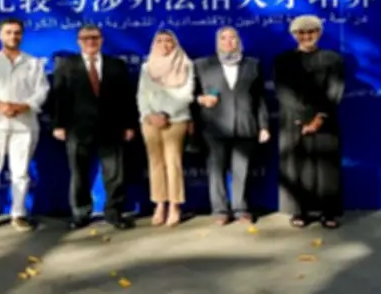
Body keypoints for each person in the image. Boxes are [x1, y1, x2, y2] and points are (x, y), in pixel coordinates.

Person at [50, 24, 136, 230]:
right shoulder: (66, 65)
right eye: (86, 38)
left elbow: (127, 98)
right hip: (77, 128)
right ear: (79, 42)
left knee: (114, 174)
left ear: (101, 40)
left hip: (111, 127)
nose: (90, 41)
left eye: (95, 37)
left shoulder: (116, 65)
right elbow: (58, 97)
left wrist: (129, 125)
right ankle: (81, 213)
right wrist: (58, 124)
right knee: (79, 173)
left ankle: (114, 213)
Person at [0, 19, 49, 233]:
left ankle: (19, 214)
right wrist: (0, 105)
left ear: (22, 35)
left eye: (17, 32)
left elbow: (41, 91)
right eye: (8, 32)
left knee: (20, 172)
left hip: (24, 124)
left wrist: (23, 106)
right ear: (0, 35)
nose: (13, 36)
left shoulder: (33, 63)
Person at [273, 15, 345, 229]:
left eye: (311, 32)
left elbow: (335, 90)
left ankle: (328, 212)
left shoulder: (333, 59)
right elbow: (283, 92)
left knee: (326, 168)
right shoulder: (282, 60)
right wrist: (304, 119)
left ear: (319, 33)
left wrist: (319, 118)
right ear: (294, 35)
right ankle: (299, 212)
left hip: (325, 120)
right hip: (293, 121)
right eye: (301, 33)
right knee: (296, 167)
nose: (306, 36)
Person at [193, 26, 270, 225]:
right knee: (216, 170)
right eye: (223, 38)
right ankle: (220, 210)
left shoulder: (252, 65)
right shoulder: (202, 65)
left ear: (239, 41)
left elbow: (259, 98)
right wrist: (201, 99)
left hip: (245, 125)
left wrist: (263, 126)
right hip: (214, 126)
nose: (228, 41)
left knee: (241, 170)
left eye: (232, 37)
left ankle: (241, 209)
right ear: (217, 42)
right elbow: (190, 94)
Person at [137, 30, 194, 227]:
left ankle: (175, 206)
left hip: (175, 120)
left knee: (173, 162)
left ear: (175, 44)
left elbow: (186, 94)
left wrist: (165, 114)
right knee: (155, 163)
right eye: (159, 41)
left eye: (168, 41)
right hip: (150, 121)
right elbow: (142, 94)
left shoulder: (185, 64)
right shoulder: (146, 67)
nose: (164, 44)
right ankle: (160, 204)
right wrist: (149, 114)